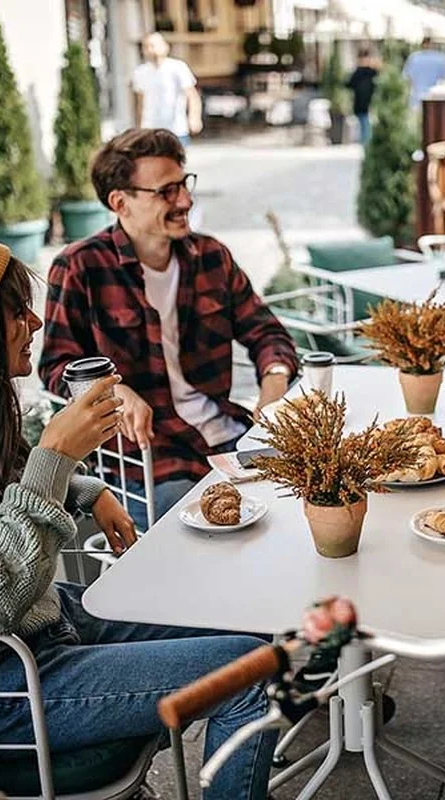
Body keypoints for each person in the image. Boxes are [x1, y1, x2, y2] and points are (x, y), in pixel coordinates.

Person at [0, 221, 277, 799]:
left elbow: (14, 479)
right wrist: (56, 455)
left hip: (45, 625)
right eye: (16, 312)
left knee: (250, 619)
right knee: (248, 673)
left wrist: (87, 490)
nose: (35, 323)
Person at [40, 129, 298, 528]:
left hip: (228, 434)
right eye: (166, 191)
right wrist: (112, 390)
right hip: (146, 457)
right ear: (120, 202)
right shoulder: (79, 267)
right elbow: (57, 365)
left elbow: (268, 333)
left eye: (184, 184)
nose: (185, 201)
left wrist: (274, 389)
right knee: (198, 538)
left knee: (300, 502)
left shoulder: (211, 257)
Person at [132, 32, 202, 145]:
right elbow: (140, 101)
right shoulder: (140, 72)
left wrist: (194, 117)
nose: (151, 49)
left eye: (153, 45)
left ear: (165, 47)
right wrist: (138, 126)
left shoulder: (178, 67)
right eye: (146, 46)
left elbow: (192, 95)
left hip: (175, 128)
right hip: (150, 128)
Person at [403, 36, 445, 109]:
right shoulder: (441, 58)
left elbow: (407, 78)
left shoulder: (414, 58)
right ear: (433, 45)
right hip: (435, 99)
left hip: (416, 99)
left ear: (422, 45)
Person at [347, 46, 379, 145]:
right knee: (364, 122)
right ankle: (365, 142)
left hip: (366, 101)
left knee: (365, 122)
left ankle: (366, 142)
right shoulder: (368, 72)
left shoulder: (367, 72)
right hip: (363, 101)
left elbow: (349, 84)